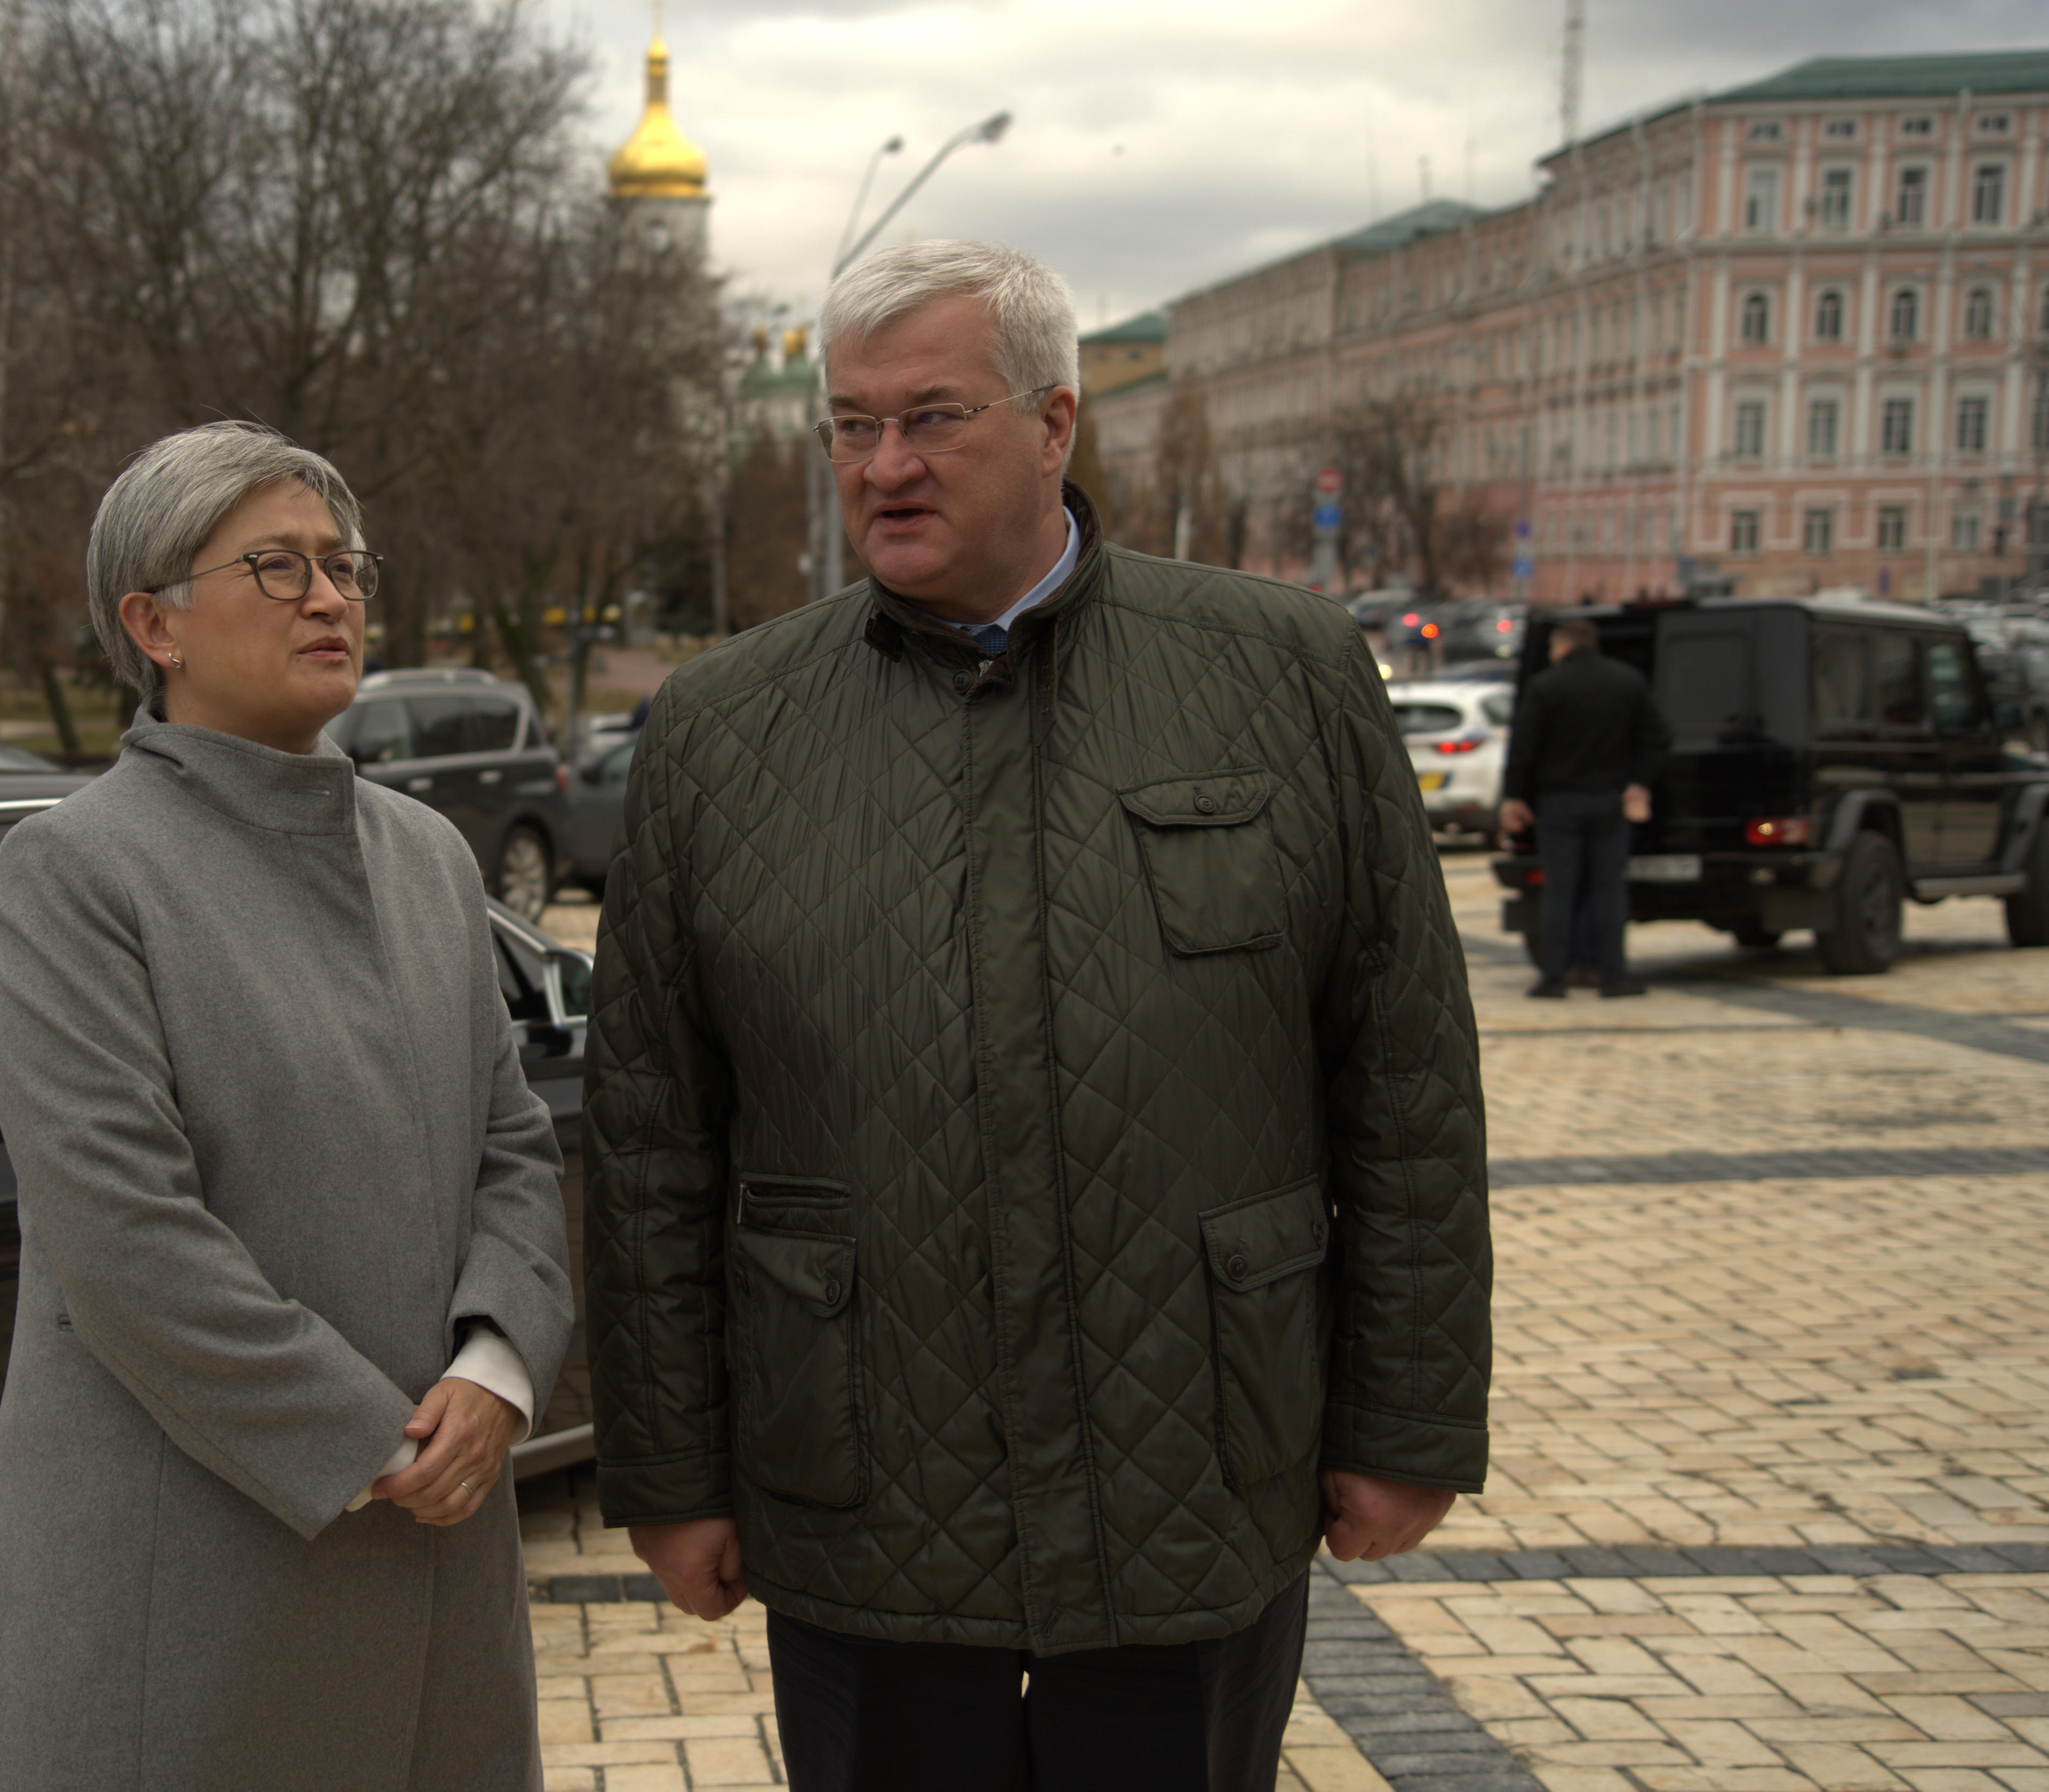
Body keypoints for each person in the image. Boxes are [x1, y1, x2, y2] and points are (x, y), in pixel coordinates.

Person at [584, 242, 1491, 1792]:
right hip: (863, 1482)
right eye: (852, 426)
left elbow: (1404, 1080)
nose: (884, 465)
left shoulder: (1280, 675)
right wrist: (670, 1467)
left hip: (1193, 1463)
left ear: (1056, 421)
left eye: (933, 417)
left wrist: (1404, 1421)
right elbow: (651, 1135)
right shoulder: (725, 730)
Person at [0, 421, 573, 1792]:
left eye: (343, 566)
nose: (330, 598)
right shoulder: (77, 874)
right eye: (278, 567)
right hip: (195, 1597)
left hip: (438, 1576)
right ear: (153, 624)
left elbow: (511, 1148)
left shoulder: (426, 856)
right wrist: (369, 1441)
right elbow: (124, 1241)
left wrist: (494, 1372)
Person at [1497, 616, 1671, 999]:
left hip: (1559, 801)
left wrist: (1514, 797)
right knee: (1610, 889)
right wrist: (1639, 784)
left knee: (1559, 890)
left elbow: (1523, 748)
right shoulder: (1627, 681)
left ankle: (1554, 977)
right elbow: (1657, 737)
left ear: (1562, 645)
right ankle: (1613, 976)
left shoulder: (1545, 686)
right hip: (1610, 798)